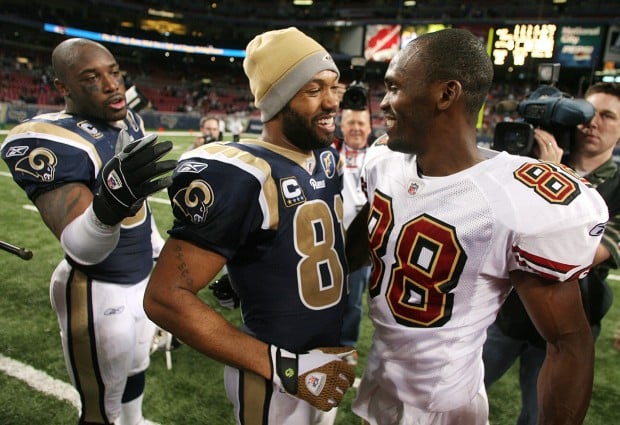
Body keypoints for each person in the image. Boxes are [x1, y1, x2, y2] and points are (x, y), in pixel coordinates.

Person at [349, 28, 608, 425]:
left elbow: (569, 342)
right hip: (380, 387)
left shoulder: (514, 196)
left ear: (446, 94)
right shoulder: (381, 162)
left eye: (394, 87)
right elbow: (357, 248)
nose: (383, 103)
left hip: (448, 409)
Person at [143, 27, 356, 425]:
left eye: (333, 87)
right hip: (274, 376)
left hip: (322, 362)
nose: (331, 102)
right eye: (313, 90)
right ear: (277, 99)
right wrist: (287, 367)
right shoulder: (241, 172)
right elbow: (164, 297)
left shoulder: (326, 159)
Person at [0, 38, 177, 425]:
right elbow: (81, 248)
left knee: (135, 366)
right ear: (63, 87)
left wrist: (156, 247)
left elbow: (139, 207)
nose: (112, 84)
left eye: (113, 72)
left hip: (138, 276)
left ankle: (136, 420)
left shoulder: (126, 118)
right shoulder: (49, 139)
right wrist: (111, 203)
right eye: (91, 78)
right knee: (100, 409)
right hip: (96, 287)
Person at [483, 81, 620, 425]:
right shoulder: (533, 159)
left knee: (539, 414)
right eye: (587, 113)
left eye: (607, 116)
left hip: (570, 320)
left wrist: (554, 176)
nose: (592, 123)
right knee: (455, 392)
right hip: (508, 310)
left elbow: (586, 254)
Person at [335, 108, 373, 354]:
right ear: (341, 127)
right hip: (330, 238)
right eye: (351, 123)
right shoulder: (331, 153)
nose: (356, 128)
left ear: (370, 128)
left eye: (361, 123)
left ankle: (346, 347)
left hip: (361, 244)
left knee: (353, 300)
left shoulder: (380, 157)